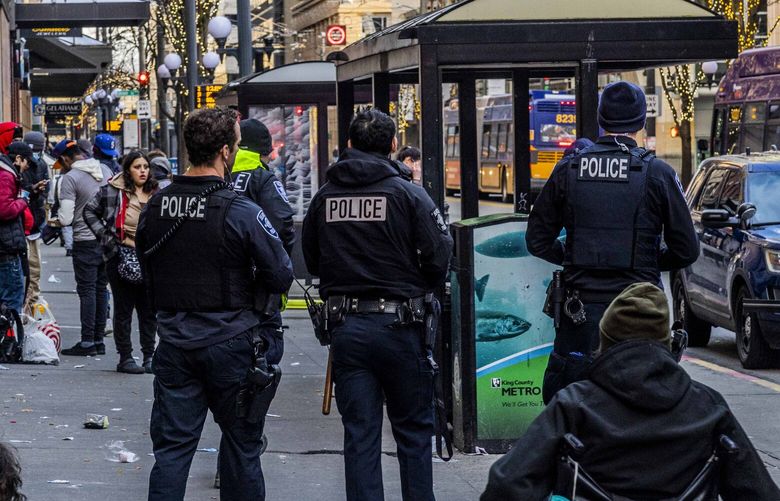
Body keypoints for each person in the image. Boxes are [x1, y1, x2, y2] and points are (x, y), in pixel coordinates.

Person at [481, 282, 780, 500]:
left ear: (604, 343)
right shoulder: (708, 407)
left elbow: (505, 486)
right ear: (669, 346)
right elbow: (760, 492)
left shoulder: (573, 406)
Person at [136, 107, 294, 501]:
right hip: (233, 342)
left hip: (174, 341)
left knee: (172, 453)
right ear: (226, 152)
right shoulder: (240, 209)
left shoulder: (157, 206)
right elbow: (280, 273)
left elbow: (146, 264)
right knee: (242, 449)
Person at [302, 109, 453, 501]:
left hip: (348, 329)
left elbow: (313, 259)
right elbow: (440, 255)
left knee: (360, 436)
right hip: (403, 328)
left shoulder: (325, 196)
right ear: (391, 146)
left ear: (349, 145)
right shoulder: (408, 193)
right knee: (414, 434)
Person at [525, 81, 700, 403]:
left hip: (581, 312)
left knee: (574, 407)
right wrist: (645, 256)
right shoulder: (657, 173)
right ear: (641, 123)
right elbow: (687, 249)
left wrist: (574, 254)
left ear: (601, 120)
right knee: (643, 404)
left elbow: (536, 240)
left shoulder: (568, 168)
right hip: (641, 310)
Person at [83, 150, 158, 374]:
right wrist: (108, 240)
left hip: (149, 258)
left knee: (148, 310)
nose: (143, 171)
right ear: (128, 170)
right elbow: (89, 212)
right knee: (124, 309)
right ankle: (125, 357)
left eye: (145, 166)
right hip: (119, 255)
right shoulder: (112, 191)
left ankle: (149, 356)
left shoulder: (157, 192)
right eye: (137, 167)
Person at [54, 139, 114, 357]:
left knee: (87, 291)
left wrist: (56, 221)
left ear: (65, 158)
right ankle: (99, 340)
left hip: (85, 240)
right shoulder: (105, 169)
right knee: (101, 289)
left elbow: (66, 218)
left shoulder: (70, 178)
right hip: (107, 239)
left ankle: (87, 341)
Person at [0, 125, 30, 315]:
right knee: (12, 298)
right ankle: (9, 341)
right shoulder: (6, 174)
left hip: (8, 243)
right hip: (6, 246)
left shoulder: (8, 172)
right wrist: (23, 200)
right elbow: (4, 209)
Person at [21, 132, 50, 312]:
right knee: (29, 268)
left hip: (34, 222)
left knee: (35, 268)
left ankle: (32, 303)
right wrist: (33, 191)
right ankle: (28, 305)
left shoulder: (41, 164)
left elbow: (43, 190)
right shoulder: (21, 166)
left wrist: (40, 193)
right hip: (24, 223)